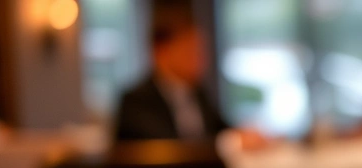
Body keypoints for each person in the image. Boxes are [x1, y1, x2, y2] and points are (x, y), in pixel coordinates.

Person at [114, 10, 265, 149]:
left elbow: (220, 128)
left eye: (200, 50)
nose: (201, 59)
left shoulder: (197, 93)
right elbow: (174, 147)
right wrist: (232, 141)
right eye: (190, 50)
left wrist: (243, 134)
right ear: (161, 52)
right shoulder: (135, 101)